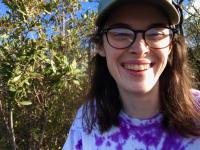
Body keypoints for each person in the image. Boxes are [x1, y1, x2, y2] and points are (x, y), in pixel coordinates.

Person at [63, 0, 200, 149]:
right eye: (121, 34)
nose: (140, 49)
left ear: (170, 46)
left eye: (155, 34)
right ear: (100, 46)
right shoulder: (87, 119)